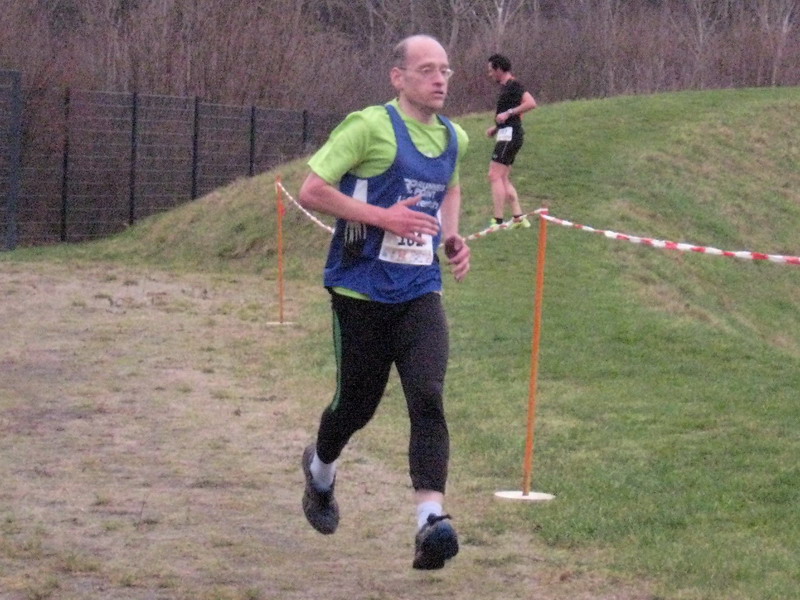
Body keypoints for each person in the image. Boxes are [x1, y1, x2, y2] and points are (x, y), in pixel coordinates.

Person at [296, 34, 470, 571]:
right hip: (360, 290)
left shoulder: (455, 137)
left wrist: (451, 236)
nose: (439, 79)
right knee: (356, 406)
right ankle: (320, 471)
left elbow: (451, 188)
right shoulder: (369, 127)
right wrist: (383, 218)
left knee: (428, 394)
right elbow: (312, 190)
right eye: (427, 69)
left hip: (419, 290)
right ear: (398, 77)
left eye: (445, 70)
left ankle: (430, 522)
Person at [485, 53, 537, 229]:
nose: (489, 74)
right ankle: (518, 218)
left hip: (510, 135)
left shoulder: (514, 85)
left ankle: (497, 220)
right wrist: (495, 128)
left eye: (491, 70)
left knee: (494, 175)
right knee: (503, 177)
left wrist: (508, 113)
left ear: (499, 69)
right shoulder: (506, 88)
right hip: (506, 133)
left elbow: (531, 103)